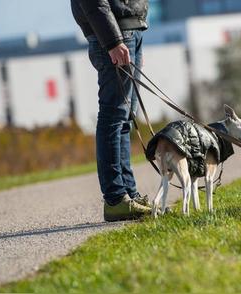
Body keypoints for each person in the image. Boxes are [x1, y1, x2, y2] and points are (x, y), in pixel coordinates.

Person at [71, 0, 151, 221]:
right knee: (113, 118)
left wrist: (136, 31)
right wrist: (113, 40)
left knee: (124, 120)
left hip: (129, 30)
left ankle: (129, 195)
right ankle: (116, 199)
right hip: (114, 32)